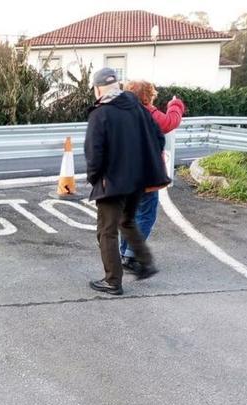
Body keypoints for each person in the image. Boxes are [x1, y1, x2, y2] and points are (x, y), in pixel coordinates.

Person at [85, 68, 171, 296]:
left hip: (111, 182)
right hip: (137, 180)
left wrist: (95, 178)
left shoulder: (100, 113)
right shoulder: (137, 108)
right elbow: (159, 137)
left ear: (97, 89)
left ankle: (113, 280)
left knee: (107, 231)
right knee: (128, 221)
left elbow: (94, 153)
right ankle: (145, 262)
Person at [118, 80, 186, 274]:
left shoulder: (121, 113)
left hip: (125, 175)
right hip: (147, 176)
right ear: (147, 97)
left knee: (128, 215)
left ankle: (125, 252)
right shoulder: (150, 114)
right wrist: (175, 104)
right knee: (146, 214)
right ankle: (130, 254)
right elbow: (171, 122)